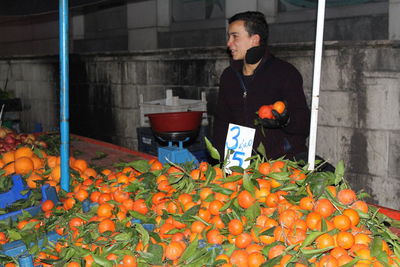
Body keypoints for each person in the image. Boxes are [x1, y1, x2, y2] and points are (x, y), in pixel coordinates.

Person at [212, 11, 311, 160]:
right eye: (228, 37)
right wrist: (219, 159)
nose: (228, 43)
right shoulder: (229, 76)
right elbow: (221, 123)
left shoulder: (285, 73)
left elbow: (304, 124)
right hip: (241, 164)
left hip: (282, 162)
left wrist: (286, 120)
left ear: (254, 39)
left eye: (235, 36)